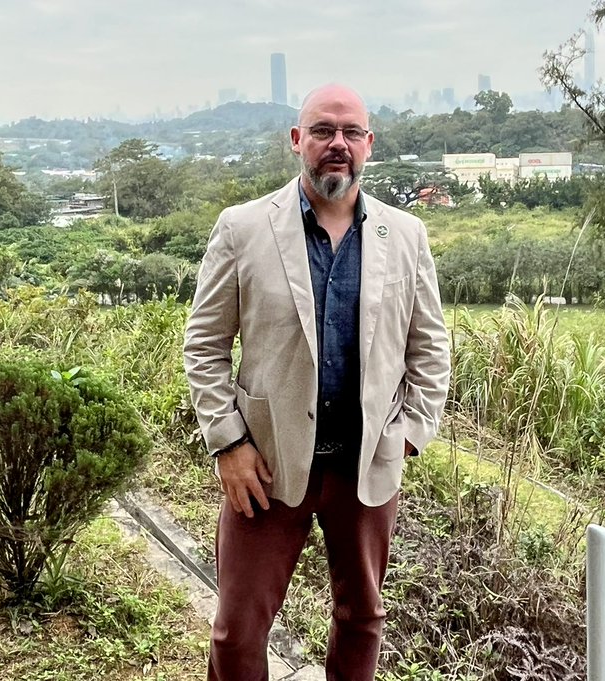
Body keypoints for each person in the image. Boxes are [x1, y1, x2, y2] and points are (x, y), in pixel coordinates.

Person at [183, 83, 450, 681]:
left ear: (369, 146)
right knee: (236, 631)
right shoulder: (243, 228)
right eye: (324, 131)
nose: (338, 144)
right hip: (267, 464)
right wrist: (228, 443)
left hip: (364, 465)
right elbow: (203, 346)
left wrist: (408, 432)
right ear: (298, 140)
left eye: (351, 132)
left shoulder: (405, 235)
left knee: (362, 618)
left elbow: (429, 346)